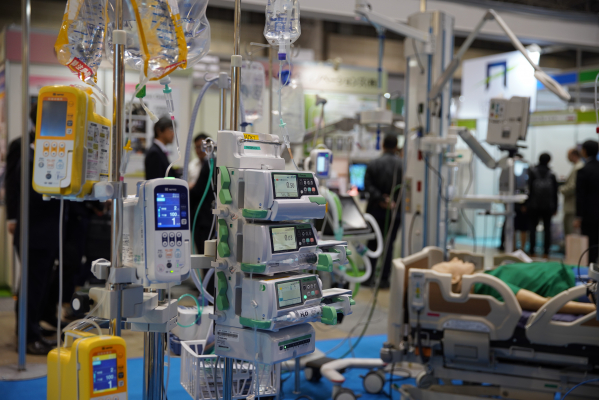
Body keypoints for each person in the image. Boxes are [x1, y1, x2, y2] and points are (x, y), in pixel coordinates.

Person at [5, 103, 62, 355]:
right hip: (34, 231)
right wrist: (12, 218)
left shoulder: (45, 150)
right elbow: (16, 186)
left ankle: (32, 329)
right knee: (31, 285)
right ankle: (28, 337)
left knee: (38, 284)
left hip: (45, 231)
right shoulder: (26, 151)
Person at [433, 258, 596, 315]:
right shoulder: (487, 286)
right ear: (454, 279)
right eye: (449, 263)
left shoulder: (484, 277)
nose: (455, 258)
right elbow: (544, 304)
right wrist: (593, 310)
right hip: (569, 284)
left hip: (565, 272)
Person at [364, 134, 402, 288]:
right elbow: (406, 187)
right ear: (396, 146)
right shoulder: (402, 165)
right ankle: (385, 280)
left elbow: (367, 185)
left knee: (372, 244)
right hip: (394, 212)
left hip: (375, 212)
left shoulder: (373, 164)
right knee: (388, 245)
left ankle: (369, 277)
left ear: (383, 145)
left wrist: (381, 199)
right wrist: (392, 201)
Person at [527, 153, 558, 258]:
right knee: (547, 229)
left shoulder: (532, 172)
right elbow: (555, 193)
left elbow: (529, 190)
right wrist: (555, 207)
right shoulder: (551, 174)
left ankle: (532, 250)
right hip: (547, 206)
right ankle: (546, 252)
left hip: (534, 206)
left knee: (532, 228)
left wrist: (526, 204)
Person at [575, 140, 599, 264]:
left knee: (589, 245)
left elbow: (580, 196)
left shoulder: (583, 170)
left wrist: (578, 217)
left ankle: (590, 269)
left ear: (584, 151)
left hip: (588, 215)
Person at [560, 148, 584, 237]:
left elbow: (573, 186)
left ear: (573, 155)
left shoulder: (578, 167)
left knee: (571, 234)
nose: (567, 158)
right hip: (571, 205)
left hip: (572, 206)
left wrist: (561, 189)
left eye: (568, 156)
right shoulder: (577, 166)